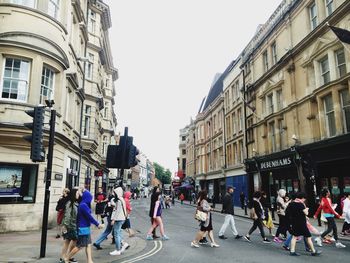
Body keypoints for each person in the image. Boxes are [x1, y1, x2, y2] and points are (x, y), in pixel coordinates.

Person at [64, 189, 103, 263]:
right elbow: (89, 217)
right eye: (90, 198)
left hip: (85, 227)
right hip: (83, 228)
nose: (90, 200)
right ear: (87, 198)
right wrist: (97, 224)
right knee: (80, 246)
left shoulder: (83, 204)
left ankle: (90, 260)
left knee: (88, 244)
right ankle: (67, 258)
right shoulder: (83, 205)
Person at [287, 192, 321, 256]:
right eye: (304, 199)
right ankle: (313, 251)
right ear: (302, 198)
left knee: (294, 237)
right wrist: (307, 209)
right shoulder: (301, 204)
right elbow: (306, 213)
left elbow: (288, 212)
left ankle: (292, 251)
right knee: (308, 237)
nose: (304, 200)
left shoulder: (291, 204)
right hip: (301, 223)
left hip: (294, 222)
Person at [60, 188, 79, 263]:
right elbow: (67, 215)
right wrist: (65, 226)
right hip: (71, 225)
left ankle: (64, 257)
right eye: (77, 193)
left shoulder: (74, 203)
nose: (78, 195)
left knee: (67, 241)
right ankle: (66, 257)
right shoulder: (70, 203)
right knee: (74, 240)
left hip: (72, 225)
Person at [110, 187, 128, 256]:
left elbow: (117, 211)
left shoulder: (119, 201)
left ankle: (118, 250)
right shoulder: (122, 199)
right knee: (118, 233)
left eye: (114, 193)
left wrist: (114, 219)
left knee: (116, 234)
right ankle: (123, 245)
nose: (114, 194)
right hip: (122, 218)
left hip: (118, 219)